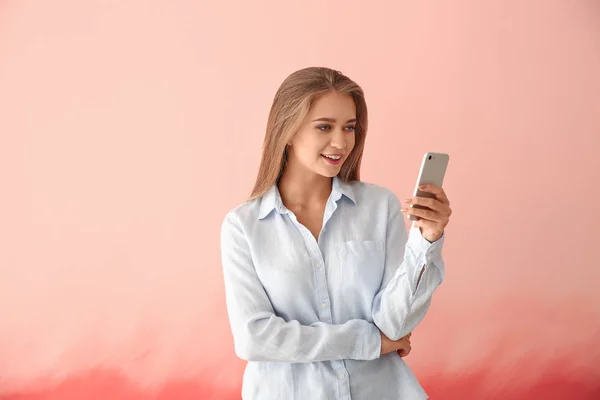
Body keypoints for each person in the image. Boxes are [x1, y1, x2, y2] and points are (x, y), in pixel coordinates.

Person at [220, 67, 451, 399]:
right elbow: (255, 338)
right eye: (324, 127)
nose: (341, 142)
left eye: (350, 127)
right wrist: (366, 342)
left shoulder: (380, 206)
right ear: (287, 130)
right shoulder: (243, 227)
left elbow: (396, 325)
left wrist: (426, 240)